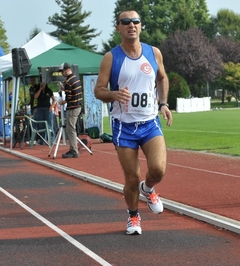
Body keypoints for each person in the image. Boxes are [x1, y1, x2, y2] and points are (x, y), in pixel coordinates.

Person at [94, 10, 172, 235]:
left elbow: (162, 77)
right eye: (125, 21)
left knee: (158, 170)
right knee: (132, 176)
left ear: (140, 26)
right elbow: (98, 90)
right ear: (118, 27)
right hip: (123, 125)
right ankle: (133, 216)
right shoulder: (111, 57)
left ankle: (148, 189)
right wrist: (114, 94)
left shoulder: (153, 53)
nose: (131, 25)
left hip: (149, 122)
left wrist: (163, 104)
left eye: (135, 21)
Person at [58, 63, 83, 158]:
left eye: (62, 71)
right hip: (78, 106)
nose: (61, 73)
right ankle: (74, 149)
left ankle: (74, 150)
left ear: (66, 70)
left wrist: (62, 102)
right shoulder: (75, 78)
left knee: (70, 129)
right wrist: (65, 89)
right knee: (72, 128)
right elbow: (73, 91)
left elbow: (69, 97)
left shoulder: (68, 81)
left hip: (72, 107)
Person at [34, 81, 56, 145]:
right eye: (41, 83)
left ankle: (51, 140)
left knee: (49, 124)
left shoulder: (49, 91)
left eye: (43, 83)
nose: (42, 84)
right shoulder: (37, 90)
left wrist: (51, 106)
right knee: (41, 125)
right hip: (40, 108)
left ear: (46, 83)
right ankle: (43, 140)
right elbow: (35, 96)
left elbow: (54, 100)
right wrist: (40, 89)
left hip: (47, 108)